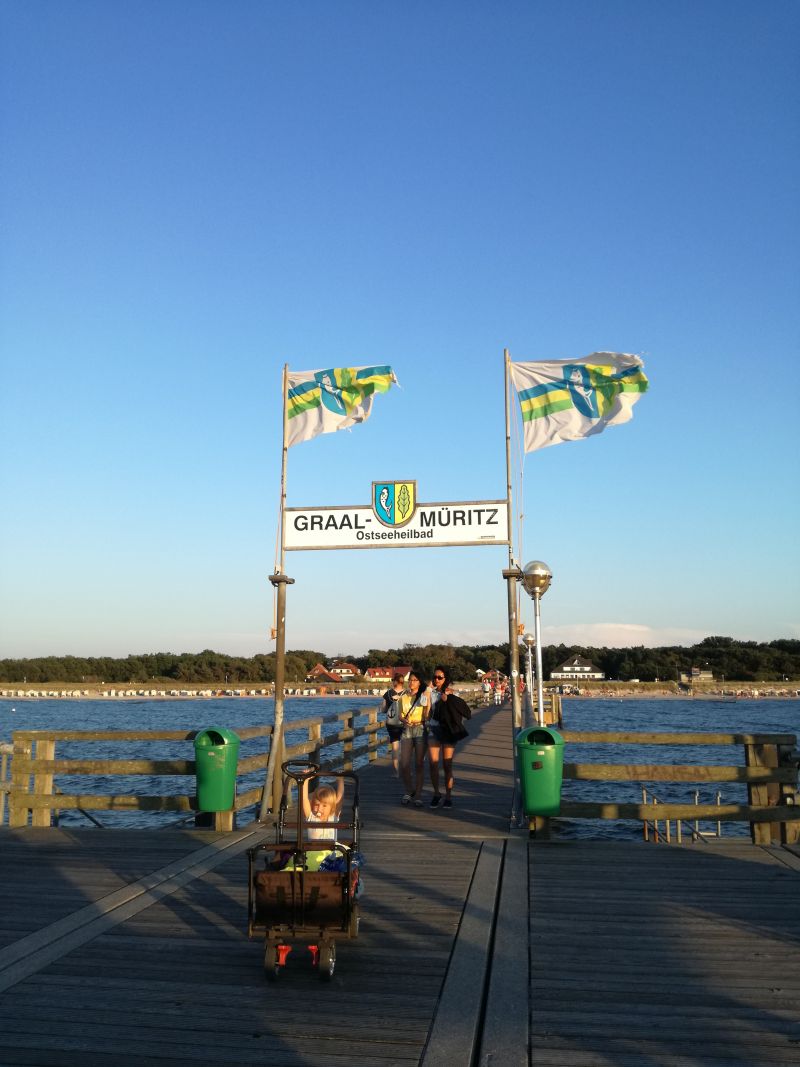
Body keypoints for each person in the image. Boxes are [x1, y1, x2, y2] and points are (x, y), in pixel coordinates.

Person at [427, 665, 471, 809]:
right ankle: (436, 794)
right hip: (434, 729)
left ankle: (448, 796)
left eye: (440, 677)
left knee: (447, 764)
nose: (436, 679)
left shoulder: (452, 693)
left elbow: (459, 710)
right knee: (433, 763)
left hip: (448, 731)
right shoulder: (430, 693)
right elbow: (428, 712)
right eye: (435, 677)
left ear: (446, 678)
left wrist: (448, 698)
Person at [398, 669, 430, 807]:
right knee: (404, 764)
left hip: (420, 729)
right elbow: (400, 715)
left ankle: (418, 794)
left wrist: (427, 698)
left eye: (415, 680)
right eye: (410, 680)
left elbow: (427, 714)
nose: (411, 682)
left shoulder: (423, 696)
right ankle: (409, 790)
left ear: (420, 682)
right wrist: (404, 720)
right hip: (407, 729)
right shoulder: (403, 696)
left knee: (419, 764)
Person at [300, 775, 345, 869]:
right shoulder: (311, 818)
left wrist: (340, 780)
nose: (319, 808)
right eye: (317, 804)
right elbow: (304, 799)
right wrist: (305, 780)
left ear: (332, 808)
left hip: (330, 858)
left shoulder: (333, 818)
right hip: (314, 857)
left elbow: (340, 799)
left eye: (324, 806)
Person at [380, 671, 407, 777]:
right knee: (405, 748)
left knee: (395, 747)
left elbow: (383, 709)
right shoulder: (407, 693)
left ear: (395, 681)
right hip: (404, 722)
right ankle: (406, 771)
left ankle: (396, 772)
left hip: (392, 724)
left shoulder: (388, 694)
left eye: (393, 680)